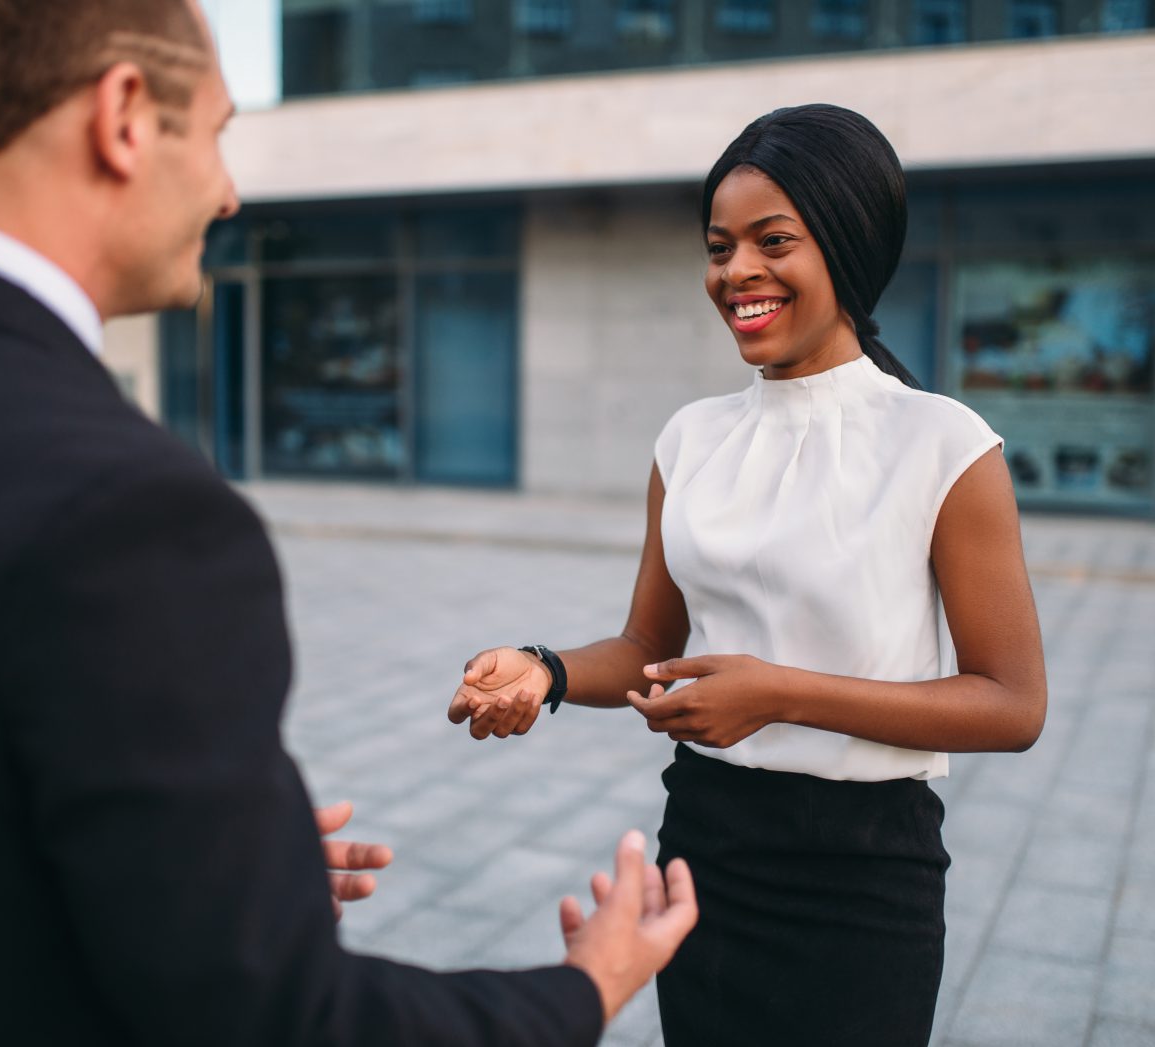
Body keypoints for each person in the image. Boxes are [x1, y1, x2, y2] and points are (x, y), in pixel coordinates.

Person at [0, 1, 695, 1043]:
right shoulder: (134, 514)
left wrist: (166, 852)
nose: (227, 191)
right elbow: (282, 1021)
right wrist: (582, 988)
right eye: (213, 133)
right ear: (123, 117)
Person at [448, 103, 1048, 1046]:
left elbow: (1013, 704)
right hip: (710, 848)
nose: (737, 273)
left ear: (847, 245)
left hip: (865, 877)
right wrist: (546, 668)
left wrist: (782, 695)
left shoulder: (945, 446)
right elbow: (649, 647)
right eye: (720, 246)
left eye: (775, 241)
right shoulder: (690, 439)